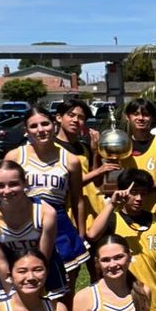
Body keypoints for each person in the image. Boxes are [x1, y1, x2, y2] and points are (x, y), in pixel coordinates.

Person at [6, 105, 88, 293]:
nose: (40, 130)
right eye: (34, 126)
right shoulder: (15, 156)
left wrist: (80, 233)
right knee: (25, 285)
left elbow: (78, 199)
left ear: (54, 124)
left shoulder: (70, 160)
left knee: (64, 287)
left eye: (45, 124)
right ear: (26, 131)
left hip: (60, 226)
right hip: (23, 226)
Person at [87, 169, 156, 311]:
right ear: (124, 192)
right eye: (134, 193)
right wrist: (111, 204)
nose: (139, 198)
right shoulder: (112, 220)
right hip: (126, 305)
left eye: (143, 193)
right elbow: (92, 234)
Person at [0, 161, 59, 299]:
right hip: (7, 272)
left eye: (14, 184)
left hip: (41, 269)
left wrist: (34, 289)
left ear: (25, 183)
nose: (7, 191)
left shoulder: (45, 212)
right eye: (0, 186)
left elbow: (43, 259)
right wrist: (13, 293)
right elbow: (0, 261)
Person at [114, 98, 156, 215]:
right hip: (126, 212)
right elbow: (110, 177)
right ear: (127, 117)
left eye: (146, 115)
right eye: (136, 114)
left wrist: (146, 189)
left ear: (152, 118)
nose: (141, 118)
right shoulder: (120, 145)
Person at [55, 99, 108, 231]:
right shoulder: (52, 148)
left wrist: (96, 152)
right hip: (67, 211)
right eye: (71, 115)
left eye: (81, 117)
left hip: (91, 210)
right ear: (59, 117)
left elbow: (97, 182)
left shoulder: (85, 148)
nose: (75, 120)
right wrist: (99, 171)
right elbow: (67, 183)